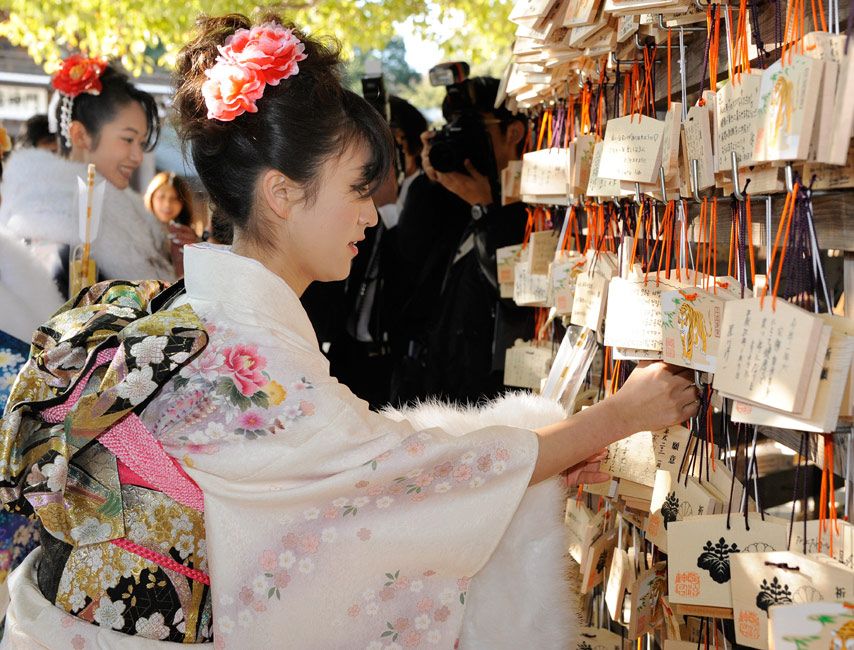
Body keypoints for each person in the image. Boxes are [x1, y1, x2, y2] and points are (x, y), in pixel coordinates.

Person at [0, 14, 699, 648]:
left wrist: (550, 451)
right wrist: (618, 416)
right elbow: (408, 476)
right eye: (356, 190)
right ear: (282, 193)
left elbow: (370, 458)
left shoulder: (205, 317)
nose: (370, 216)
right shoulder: (247, 359)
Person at [0, 56, 174, 301]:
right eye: (127, 139)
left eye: (141, 143)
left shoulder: (113, 211)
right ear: (80, 135)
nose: (137, 156)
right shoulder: (52, 223)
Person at [144, 171, 200, 275]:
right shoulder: (138, 229)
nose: (167, 204)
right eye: (161, 197)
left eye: (174, 199)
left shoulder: (188, 236)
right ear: (151, 197)